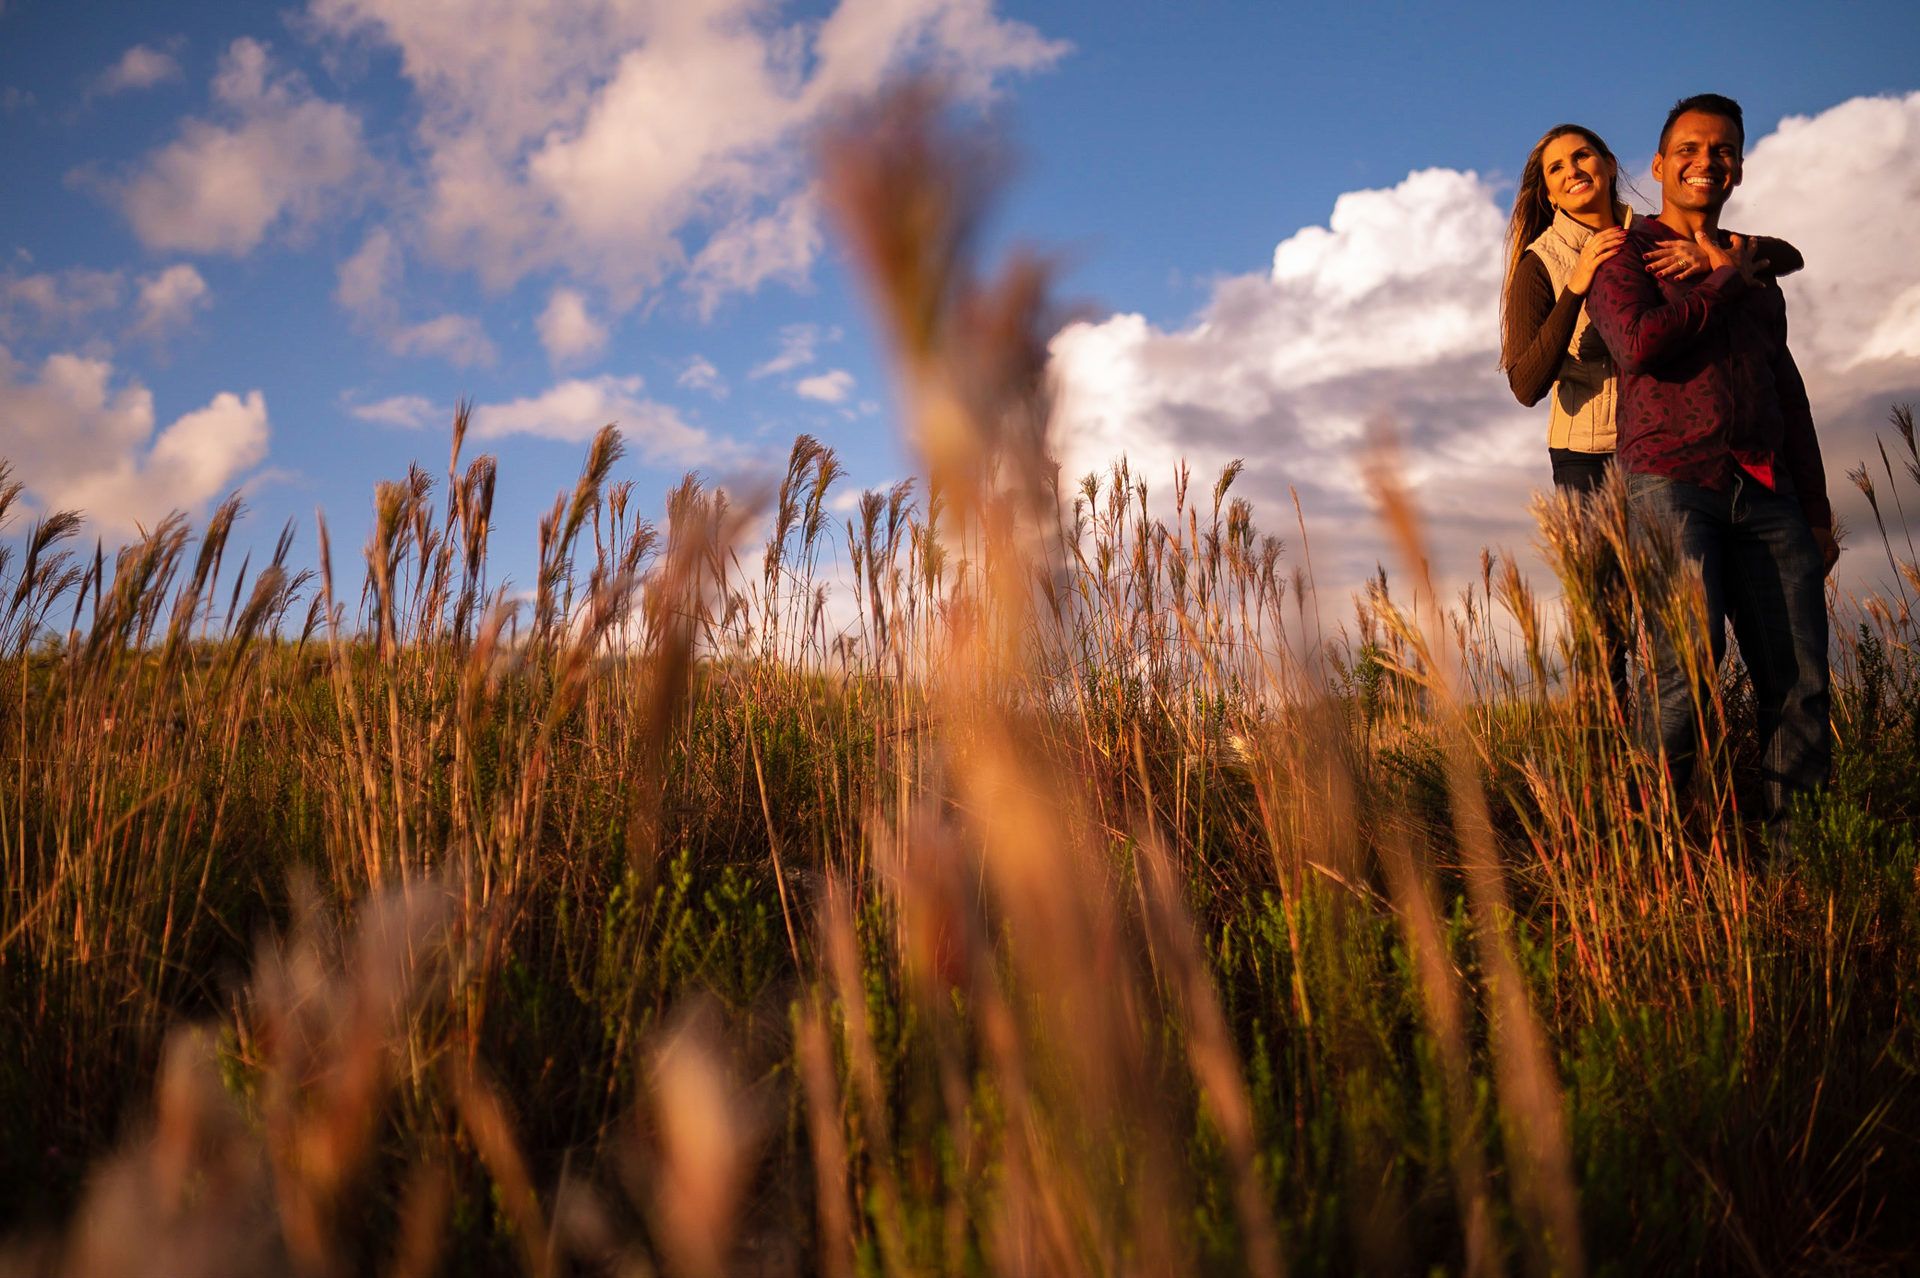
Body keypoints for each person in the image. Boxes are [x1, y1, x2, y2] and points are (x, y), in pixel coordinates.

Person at [1586, 93, 1837, 861]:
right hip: (1670, 481)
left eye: (1723, 149)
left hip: (1769, 493)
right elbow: (1636, 345)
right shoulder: (1622, 255)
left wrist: (1818, 510)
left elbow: (1785, 389)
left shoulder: (1759, 266)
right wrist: (1721, 280)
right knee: (1682, 680)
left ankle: (1802, 864)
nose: (1707, 161)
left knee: (1799, 687)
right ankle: (1653, 855)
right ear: (1658, 166)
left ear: (1737, 166)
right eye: (1690, 148)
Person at [1498, 124, 1803, 712]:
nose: (1572, 171)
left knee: (1681, 620)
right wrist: (1578, 284)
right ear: (1551, 195)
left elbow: (1786, 256)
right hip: (1593, 459)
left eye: (1582, 155)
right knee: (1607, 620)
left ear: (1611, 163)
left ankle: (1685, 771)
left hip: (1672, 447)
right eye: (1556, 170)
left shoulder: (1656, 234)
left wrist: (1710, 254)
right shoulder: (1541, 262)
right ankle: (1610, 769)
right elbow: (1525, 383)